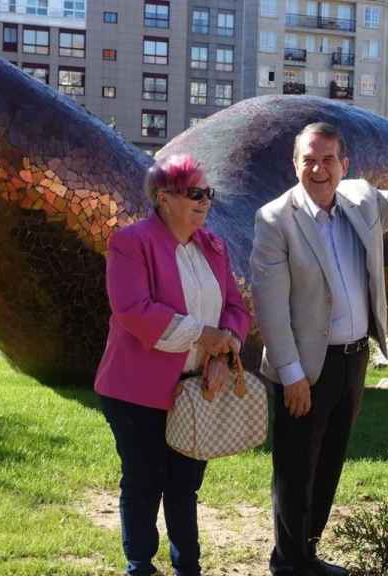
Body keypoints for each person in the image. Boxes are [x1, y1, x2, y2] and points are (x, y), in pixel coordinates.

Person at [250, 89, 388, 576]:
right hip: (303, 365)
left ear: (344, 163)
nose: (318, 168)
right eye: (308, 160)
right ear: (294, 163)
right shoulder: (275, 220)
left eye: (327, 159)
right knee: (295, 470)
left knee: (328, 465)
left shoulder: (361, 200)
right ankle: (289, 563)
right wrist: (292, 375)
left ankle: (307, 555)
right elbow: (272, 309)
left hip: (352, 359)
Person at [94, 154, 252, 576]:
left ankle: (188, 567)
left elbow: (236, 309)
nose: (204, 202)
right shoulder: (130, 242)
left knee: (185, 486)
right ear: (164, 198)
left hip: (197, 387)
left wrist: (225, 351)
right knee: (144, 481)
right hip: (135, 390)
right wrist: (205, 336)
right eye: (194, 193)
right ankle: (140, 564)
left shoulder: (213, 247)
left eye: (208, 194)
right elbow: (133, 310)